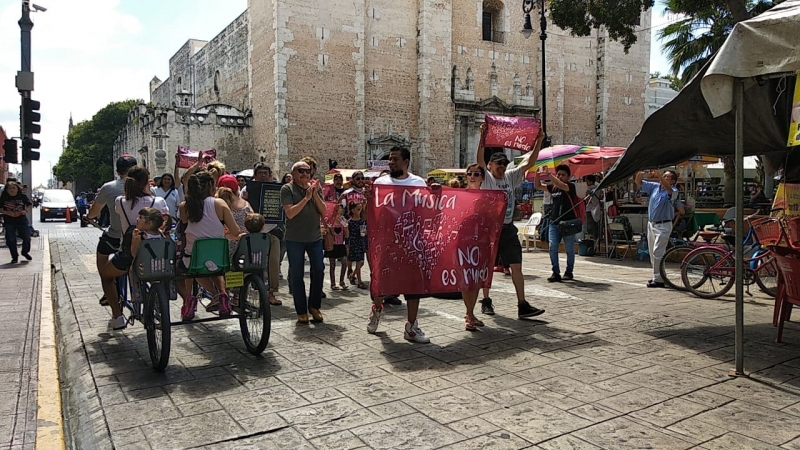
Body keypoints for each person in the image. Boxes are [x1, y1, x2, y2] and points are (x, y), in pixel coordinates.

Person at [477, 123, 546, 319]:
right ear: (490, 166)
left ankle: (522, 304)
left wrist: (539, 141)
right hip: (490, 229)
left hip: (507, 228)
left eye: (504, 164)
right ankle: (486, 300)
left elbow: (529, 163)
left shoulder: (510, 177)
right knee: (487, 266)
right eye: (498, 164)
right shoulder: (487, 179)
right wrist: (482, 136)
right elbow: (479, 159)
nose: (501, 167)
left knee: (516, 265)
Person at [366, 146, 432, 343]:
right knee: (380, 281)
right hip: (386, 241)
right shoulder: (380, 183)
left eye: (395, 159)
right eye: (389, 159)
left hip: (411, 241)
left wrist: (434, 194)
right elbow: (373, 212)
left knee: (414, 284)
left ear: (406, 162)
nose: (391, 162)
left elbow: (427, 210)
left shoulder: (419, 183)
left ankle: (411, 326)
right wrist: (369, 198)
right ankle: (377, 309)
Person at [177, 170, 243, 321]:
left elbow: (185, 228)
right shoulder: (219, 203)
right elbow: (235, 230)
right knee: (213, 265)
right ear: (211, 186)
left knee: (190, 269)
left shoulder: (184, 206)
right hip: (219, 258)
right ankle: (222, 294)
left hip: (194, 259)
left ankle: (190, 299)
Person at [86, 155, 139, 327]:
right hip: (140, 238)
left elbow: (94, 212)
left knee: (104, 271)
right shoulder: (147, 188)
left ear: (117, 171)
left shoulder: (109, 188)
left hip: (116, 237)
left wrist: (89, 217)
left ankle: (117, 316)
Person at [281, 161, 327, 324]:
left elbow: (324, 210)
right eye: (301, 172)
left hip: (314, 237)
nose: (305, 175)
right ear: (293, 174)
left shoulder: (315, 188)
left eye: (307, 172)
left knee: (319, 270)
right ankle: (301, 310)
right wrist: (306, 198)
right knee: (297, 274)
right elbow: (291, 213)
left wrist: (314, 195)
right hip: (295, 239)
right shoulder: (287, 189)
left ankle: (314, 306)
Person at [242, 164, 283, 305]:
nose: (264, 175)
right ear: (255, 174)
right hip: (253, 231)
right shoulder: (247, 189)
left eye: (266, 172)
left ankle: (271, 292)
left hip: (272, 229)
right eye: (261, 172)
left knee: (273, 262)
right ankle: (244, 291)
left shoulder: (277, 189)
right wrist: (245, 198)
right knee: (251, 263)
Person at [461, 163, 492, 329]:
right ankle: (469, 313)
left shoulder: (487, 198)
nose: (472, 176)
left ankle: (471, 312)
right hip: (464, 242)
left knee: (477, 278)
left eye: (476, 174)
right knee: (467, 277)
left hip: (480, 241)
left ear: (482, 178)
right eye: (469, 173)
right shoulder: (459, 195)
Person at [635, 169, 678, 288]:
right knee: (652, 252)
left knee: (658, 251)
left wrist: (659, 175)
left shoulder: (673, 190)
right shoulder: (655, 187)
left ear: (673, 181)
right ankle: (657, 277)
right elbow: (639, 182)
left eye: (666, 176)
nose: (663, 177)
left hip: (663, 225)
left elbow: (669, 189)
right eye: (663, 175)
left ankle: (659, 279)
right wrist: (640, 172)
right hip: (652, 224)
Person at [535, 164, 578, 283]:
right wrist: (537, 175)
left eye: (563, 175)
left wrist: (549, 174)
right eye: (558, 174)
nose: (560, 176)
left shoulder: (570, 186)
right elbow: (538, 186)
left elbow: (561, 185)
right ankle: (556, 272)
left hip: (568, 223)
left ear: (568, 177)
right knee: (552, 246)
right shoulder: (553, 188)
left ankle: (569, 271)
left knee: (569, 249)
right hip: (554, 222)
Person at [216, 174, 254, 261]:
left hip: (223, 250)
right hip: (244, 248)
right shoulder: (246, 204)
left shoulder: (217, 206)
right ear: (237, 188)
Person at [1, 181, 33, 264]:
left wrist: (25, 211)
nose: (11, 190)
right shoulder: (4, 197)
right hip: (9, 221)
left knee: (27, 237)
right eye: (9, 188)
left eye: (13, 188)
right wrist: (7, 212)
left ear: (17, 189)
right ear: (6, 190)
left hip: (22, 220)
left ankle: (25, 252)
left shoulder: (22, 196)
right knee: (11, 240)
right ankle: (14, 257)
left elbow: (29, 204)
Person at [326, 203, 350, 290]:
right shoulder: (330, 222)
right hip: (332, 246)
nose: (339, 216)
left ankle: (342, 281)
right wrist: (330, 228)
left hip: (341, 245)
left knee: (344, 262)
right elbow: (328, 233)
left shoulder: (343, 222)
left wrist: (346, 227)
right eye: (337, 214)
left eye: (341, 214)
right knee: (332, 265)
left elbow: (347, 236)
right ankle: (333, 283)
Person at [347, 202, 367, 289]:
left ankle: (352, 275)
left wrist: (365, 233)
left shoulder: (362, 221)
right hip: (353, 243)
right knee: (358, 262)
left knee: (361, 262)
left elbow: (363, 233)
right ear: (352, 210)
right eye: (357, 208)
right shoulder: (349, 222)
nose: (359, 209)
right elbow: (347, 235)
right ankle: (359, 281)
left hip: (361, 242)